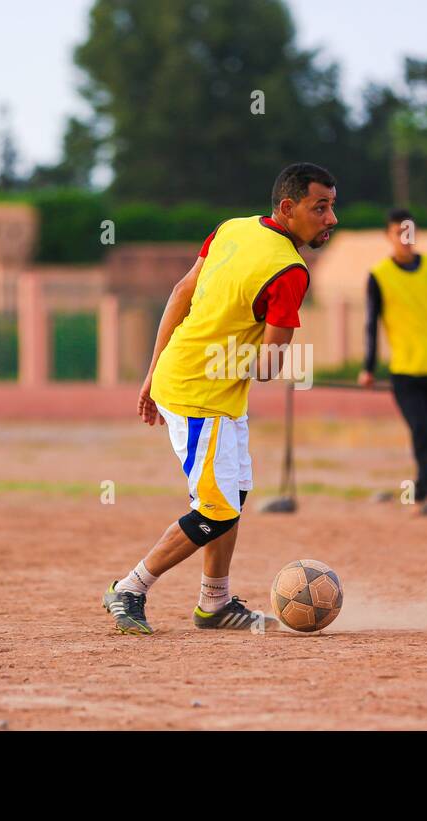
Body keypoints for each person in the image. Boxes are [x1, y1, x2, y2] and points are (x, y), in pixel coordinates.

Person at [103, 162, 339, 635]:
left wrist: (152, 372)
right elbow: (270, 368)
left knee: (233, 497)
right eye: (321, 207)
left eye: (332, 207)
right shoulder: (290, 271)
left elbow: (180, 293)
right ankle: (129, 588)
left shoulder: (233, 228)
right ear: (288, 208)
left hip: (200, 384)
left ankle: (215, 603)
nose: (331, 219)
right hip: (199, 396)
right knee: (215, 510)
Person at [358, 209, 427, 516]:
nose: (405, 238)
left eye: (410, 232)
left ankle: (421, 489)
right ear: (388, 237)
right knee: (421, 430)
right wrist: (368, 368)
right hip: (405, 370)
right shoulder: (379, 275)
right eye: (398, 233)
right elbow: (371, 324)